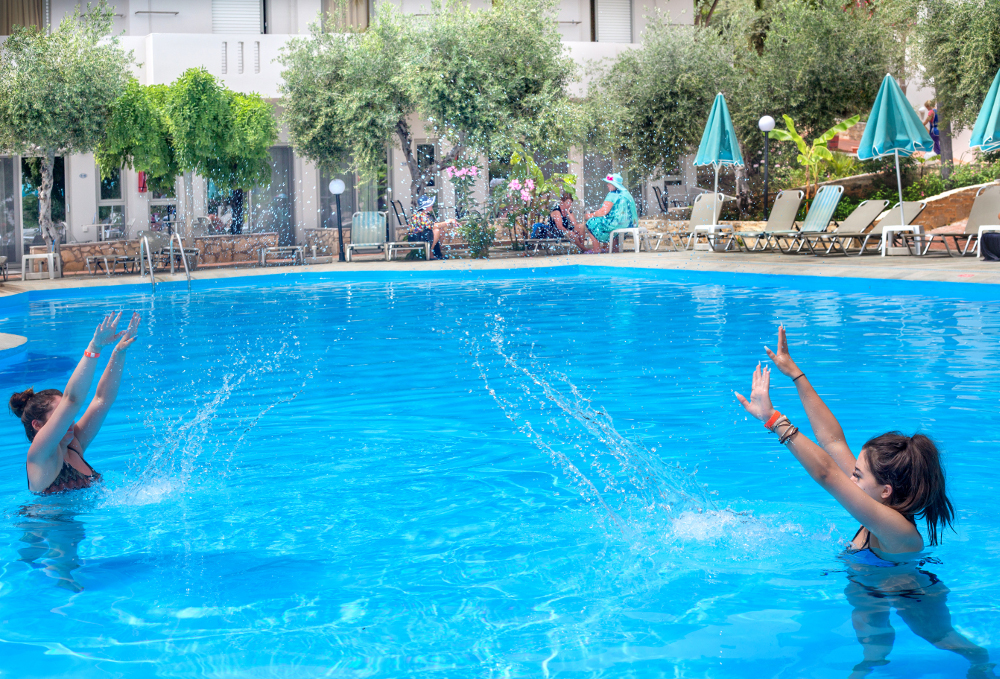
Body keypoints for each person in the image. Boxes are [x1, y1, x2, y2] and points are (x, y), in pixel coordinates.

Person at [736, 326, 992, 677]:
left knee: (939, 637)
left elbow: (827, 473)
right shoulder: (875, 497)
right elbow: (832, 441)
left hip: (911, 593)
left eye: (858, 473)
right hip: (867, 582)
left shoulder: (899, 531)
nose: (851, 476)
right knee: (871, 637)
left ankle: (980, 659)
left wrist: (773, 420)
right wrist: (794, 373)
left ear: (885, 491)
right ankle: (873, 663)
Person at [11, 311, 141, 494]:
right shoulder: (40, 456)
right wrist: (94, 347)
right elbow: (71, 401)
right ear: (37, 425)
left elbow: (102, 400)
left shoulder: (73, 444)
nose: (70, 421)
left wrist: (119, 352)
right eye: (63, 415)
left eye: (68, 416)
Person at [584, 173, 638, 252]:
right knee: (608, 222)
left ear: (614, 185)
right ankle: (613, 248)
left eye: (609, 183)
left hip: (616, 224)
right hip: (629, 224)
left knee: (591, 222)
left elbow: (603, 211)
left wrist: (590, 215)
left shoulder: (613, 194)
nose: (607, 185)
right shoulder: (626, 193)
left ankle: (596, 249)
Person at [408, 195, 457, 260]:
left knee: (441, 230)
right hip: (416, 237)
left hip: (423, 235)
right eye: (430, 204)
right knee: (436, 230)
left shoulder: (427, 215)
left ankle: (437, 252)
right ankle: (430, 253)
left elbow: (436, 225)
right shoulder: (419, 215)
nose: (432, 205)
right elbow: (433, 226)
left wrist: (451, 228)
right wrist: (448, 221)